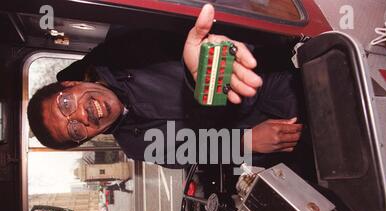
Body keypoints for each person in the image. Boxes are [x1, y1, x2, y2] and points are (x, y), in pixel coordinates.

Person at [27, 4, 303, 168]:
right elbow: (196, 150)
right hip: (258, 136)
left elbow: (203, 23)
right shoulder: (135, 146)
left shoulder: (125, 40)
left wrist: (211, 61)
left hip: (265, 74)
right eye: (75, 129)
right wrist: (246, 141)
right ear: (86, 138)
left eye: (66, 104)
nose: (81, 115)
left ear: (70, 84)